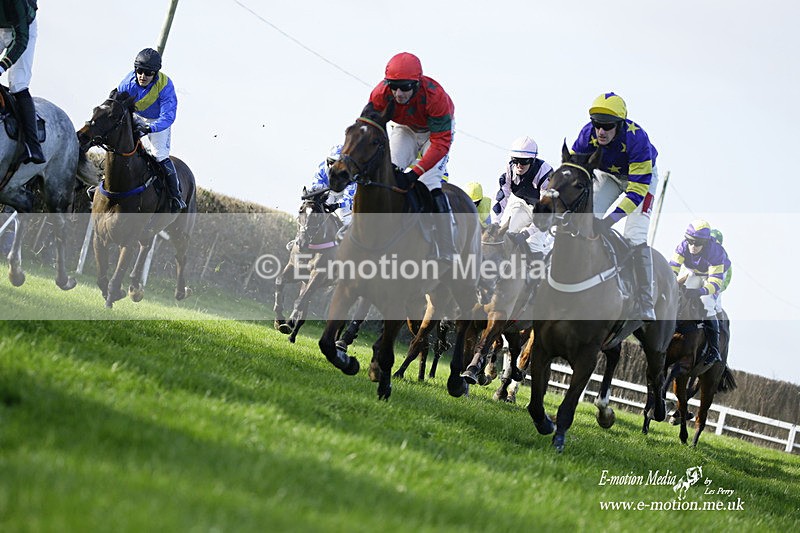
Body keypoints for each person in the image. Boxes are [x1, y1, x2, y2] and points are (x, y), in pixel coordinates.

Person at [572, 92, 659, 321]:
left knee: (634, 235)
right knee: (584, 220)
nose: (600, 131)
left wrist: (611, 220)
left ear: (619, 125)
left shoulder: (637, 139)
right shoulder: (586, 134)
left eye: (607, 126)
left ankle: (644, 299)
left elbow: (637, 190)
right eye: (597, 124)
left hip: (640, 180)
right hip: (608, 175)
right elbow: (573, 171)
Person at [364, 52, 456, 260]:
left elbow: (441, 143)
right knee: (388, 173)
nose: (398, 93)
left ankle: (446, 244)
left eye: (405, 87)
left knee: (429, 182)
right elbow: (370, 126)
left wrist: (415, 173)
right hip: (405, 128)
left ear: (416, 84)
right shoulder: (380, 94)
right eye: (393, 86)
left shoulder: (436, 97)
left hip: (435, 135)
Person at [117, 47, 185, 213]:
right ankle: (100, 181)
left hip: (157, 121)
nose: (142, 76)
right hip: (135, 116)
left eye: (148, 73)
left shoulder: (165, 86)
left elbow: (168, 117)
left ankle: (175, 197)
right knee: (117, 144)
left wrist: (149, 128)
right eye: (139, 71)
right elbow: (117, 104)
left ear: (156, 73)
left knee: (159, 155)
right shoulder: (127, 83)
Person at [669, 219, 731, 365]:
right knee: (678, 293)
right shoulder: (682, 247)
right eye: (690, 241)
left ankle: (714, 349)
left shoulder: (716, 252)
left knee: (707, 303)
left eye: (697, 243)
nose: (692, 246)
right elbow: (672, 269)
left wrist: (699, 292)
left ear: (705, 243)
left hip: (712, 277)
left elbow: (715, 284)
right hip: (694, 272)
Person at [490, 136, 554, 259]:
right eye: (516, 160)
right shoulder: (509, 170)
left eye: (524, 161)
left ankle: (540, 274)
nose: (519, 165)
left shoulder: (545, 174)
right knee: (506, 234)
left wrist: (526, 233)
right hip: (523, 205)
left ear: (533, 160)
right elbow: (501, 199)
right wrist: (495, 223)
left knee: (534, 243)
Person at [0, 0, 45, 164]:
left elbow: (21, 40)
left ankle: (33, 146)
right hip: (1, 27)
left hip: (24, 28)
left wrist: (2, 66)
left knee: (17, 83)